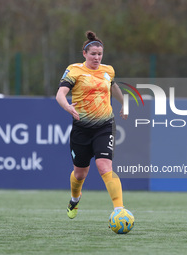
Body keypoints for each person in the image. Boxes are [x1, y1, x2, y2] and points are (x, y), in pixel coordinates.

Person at [56, 30, 128, 219]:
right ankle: (75, 198)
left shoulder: (108, 70)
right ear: (84, 54)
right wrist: (67, 107)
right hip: (81, 128)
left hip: (105, 126)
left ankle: (119, 210)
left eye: (100, 54)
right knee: (80, 174)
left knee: (105, 166)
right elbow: (60, 94)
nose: (97, 57)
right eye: (93, 54)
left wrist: (124, 103)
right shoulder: (74, 70)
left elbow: (113, 86)